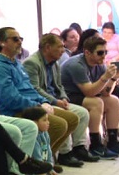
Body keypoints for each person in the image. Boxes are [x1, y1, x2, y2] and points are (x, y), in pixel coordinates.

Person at [0, 27, 80, 167]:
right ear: (2, 43)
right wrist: (37, 106)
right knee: (59, 124)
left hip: (29, 105)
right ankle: (33, 162)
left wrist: (44, 101)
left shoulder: (15, 63)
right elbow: (10, 99)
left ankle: (44, 158)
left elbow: (30, 89)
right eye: (15, 39)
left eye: (20, 39)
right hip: (12, 110)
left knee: (72, 119)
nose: (19, 42)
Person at [23, 33, 95, 166]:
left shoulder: (55, 63)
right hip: (41, 103)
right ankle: (64, 153)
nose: (63, 50)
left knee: (82, 113)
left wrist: (63, 97)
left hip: (56, 100)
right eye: (60, 47)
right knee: (67, 117)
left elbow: (59, 85)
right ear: (48, 47)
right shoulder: (32, 63)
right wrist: (55, 102)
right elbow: (34, 89)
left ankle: (79, 148)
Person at [60, 35, 119, 159]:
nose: (104, 56)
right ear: (87, 52)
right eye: (100, 52)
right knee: (96, 102)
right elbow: (89, 92)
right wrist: (105, 77)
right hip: (67, 96)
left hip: (84, 95)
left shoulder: (99, 63)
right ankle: (96, 145)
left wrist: (114, 77)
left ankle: (112, 143)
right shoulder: (77, 65)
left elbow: (106, 93)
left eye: (105, 52)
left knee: (113, 101)